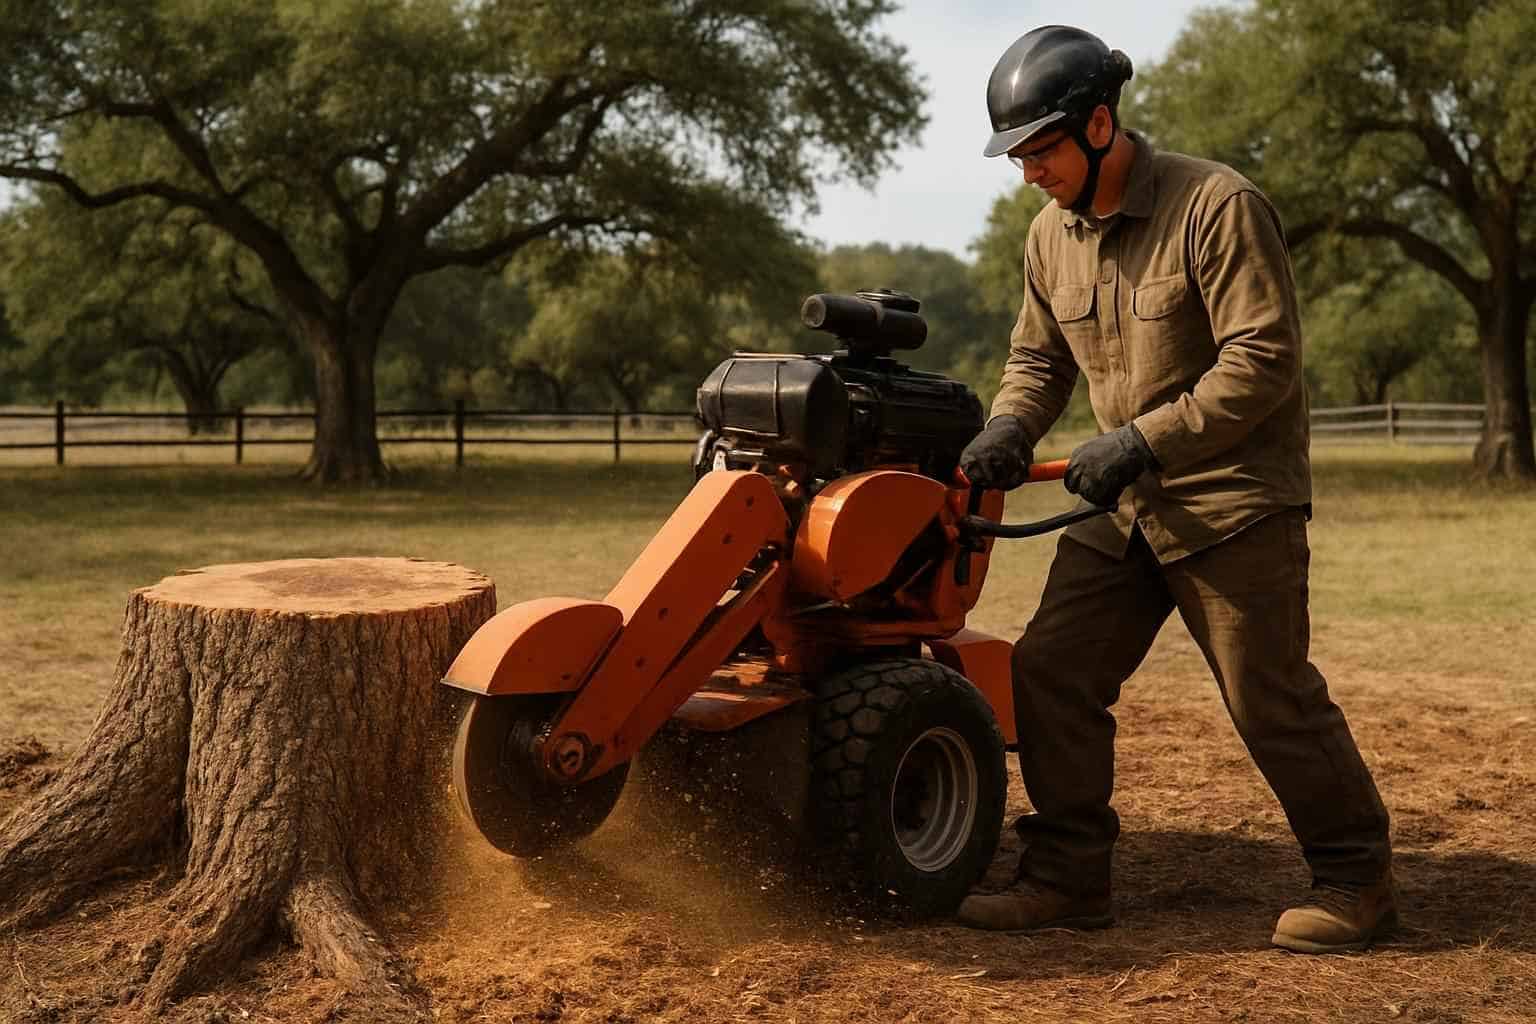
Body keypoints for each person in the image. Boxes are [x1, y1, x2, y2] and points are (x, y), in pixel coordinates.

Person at [954, 24, 1395, 953]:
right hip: (1124, 510)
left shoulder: (1217, 205)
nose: (1028, 172)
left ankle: (1357, 880)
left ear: (1101, 126)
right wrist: (1006, 428)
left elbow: (1262, 360)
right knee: (1050, 670)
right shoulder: (1048, 236)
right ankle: (1069, 877)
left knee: (1264, 692)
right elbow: (1037, 360)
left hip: (1233, 498)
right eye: (1018, 155)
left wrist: (1143, 440)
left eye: (1040, 150)